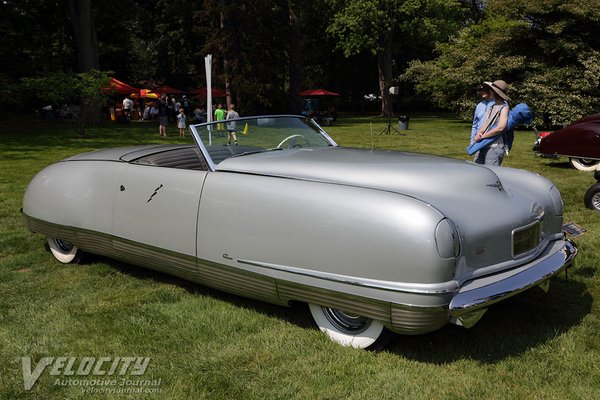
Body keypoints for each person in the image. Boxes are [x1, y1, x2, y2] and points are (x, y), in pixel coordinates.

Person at [472, 80, 510, 165]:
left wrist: (483, 136)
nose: (489, 91)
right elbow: (486, 123)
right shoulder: (492, 106)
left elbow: (500, 128)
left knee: (489, 173)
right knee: (476, 169)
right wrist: (479, 133)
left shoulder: (504, 107)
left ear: (496, 92)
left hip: (494, 147)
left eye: (491, 90)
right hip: (483, 144)